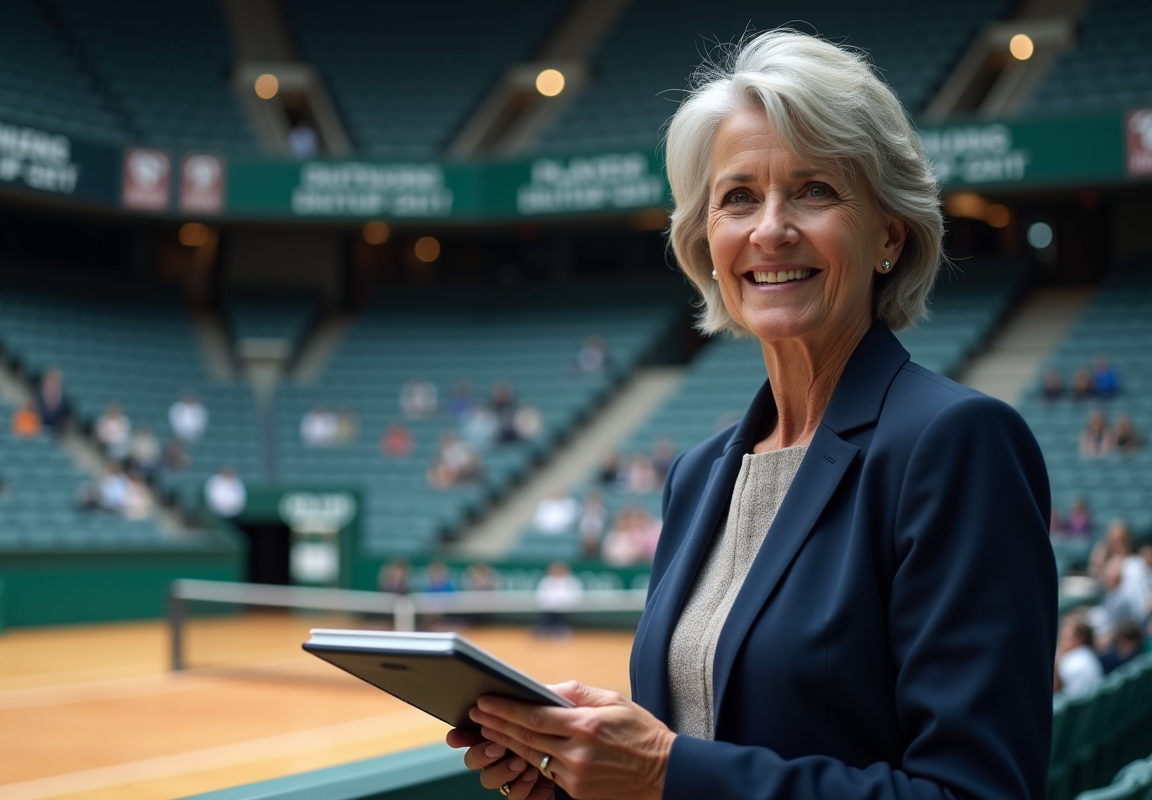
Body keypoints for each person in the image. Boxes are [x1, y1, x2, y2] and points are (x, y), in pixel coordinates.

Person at [450, 31, 1056, 800]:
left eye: (814, 190)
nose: (770, 228)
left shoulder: (955, 444)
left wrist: (666, 773)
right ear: (707, 244)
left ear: (889, 237)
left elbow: (978, 792)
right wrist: (580, 779)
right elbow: (705, 743)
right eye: (738, 197)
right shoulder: (699, 475)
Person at [1054, 613, 1103, 698]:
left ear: (1080, 639)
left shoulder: (1072, 663)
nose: (1061, 641)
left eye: (1066, 637)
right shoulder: (1087, 653)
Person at [535, 562, 583, 638]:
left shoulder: (571, 581)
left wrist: (563, 603)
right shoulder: (546, 581)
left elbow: (575, 596)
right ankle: (544, 631)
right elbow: (541, 596)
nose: (557, 571)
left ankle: (559, 631)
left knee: (559, 617)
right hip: (548, 608)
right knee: (546, 618)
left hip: (564, 608)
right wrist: (551, 603)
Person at [36, 368, 68, 433]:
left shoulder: (63, 398)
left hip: (56, 431)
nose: (53, 384)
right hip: (39, 429)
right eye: (51, 380)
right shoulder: (37, 395)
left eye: (55, 381)